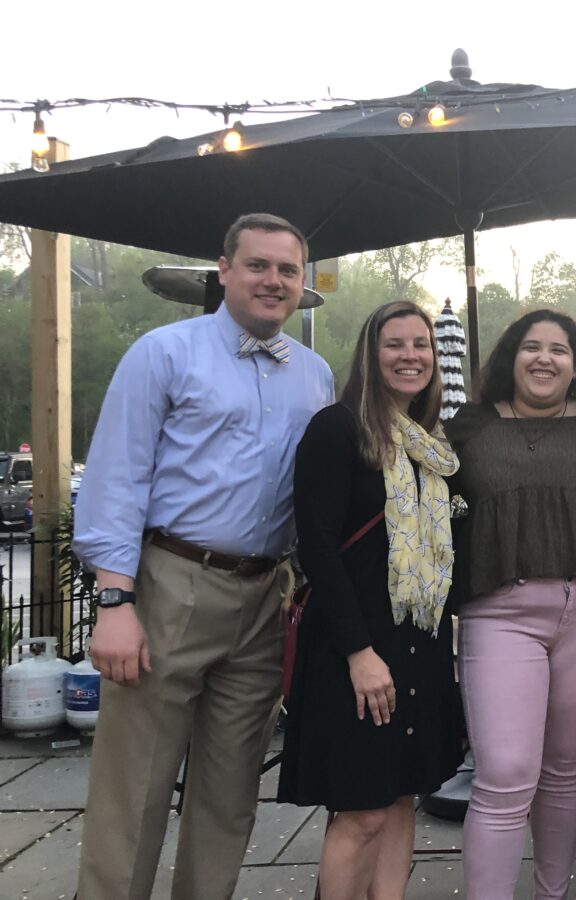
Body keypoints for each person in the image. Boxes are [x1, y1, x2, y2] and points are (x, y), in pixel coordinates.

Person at [72, 213, 334, 899]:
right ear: (224, 270)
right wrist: (114, 600)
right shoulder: (164, 353)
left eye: (287, 270)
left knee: (231, 790)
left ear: (302, 283)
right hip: (171, 585)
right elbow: (116, 478)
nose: (273, 280)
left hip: (262, 597)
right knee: (135, 788)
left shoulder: (315, 375)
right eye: (258, 265)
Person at [278, 300, 463, 898]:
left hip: (418, 640)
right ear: (370, 353)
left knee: (402, 795)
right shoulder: (337, 429)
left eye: (421, 344)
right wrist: (359, 652)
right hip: (355, 645)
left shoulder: (430, 443)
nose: (410, 356)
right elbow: (319, 548)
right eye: (395, 344)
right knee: (361, 812)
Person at [444, 309, 576, 900]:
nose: (544, 358)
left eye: (559, 350)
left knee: (567, 769)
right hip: (501, 614)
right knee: (503, 775)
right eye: (531, 347)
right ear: (509, 358)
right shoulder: (469, 427)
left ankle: (554, 894)